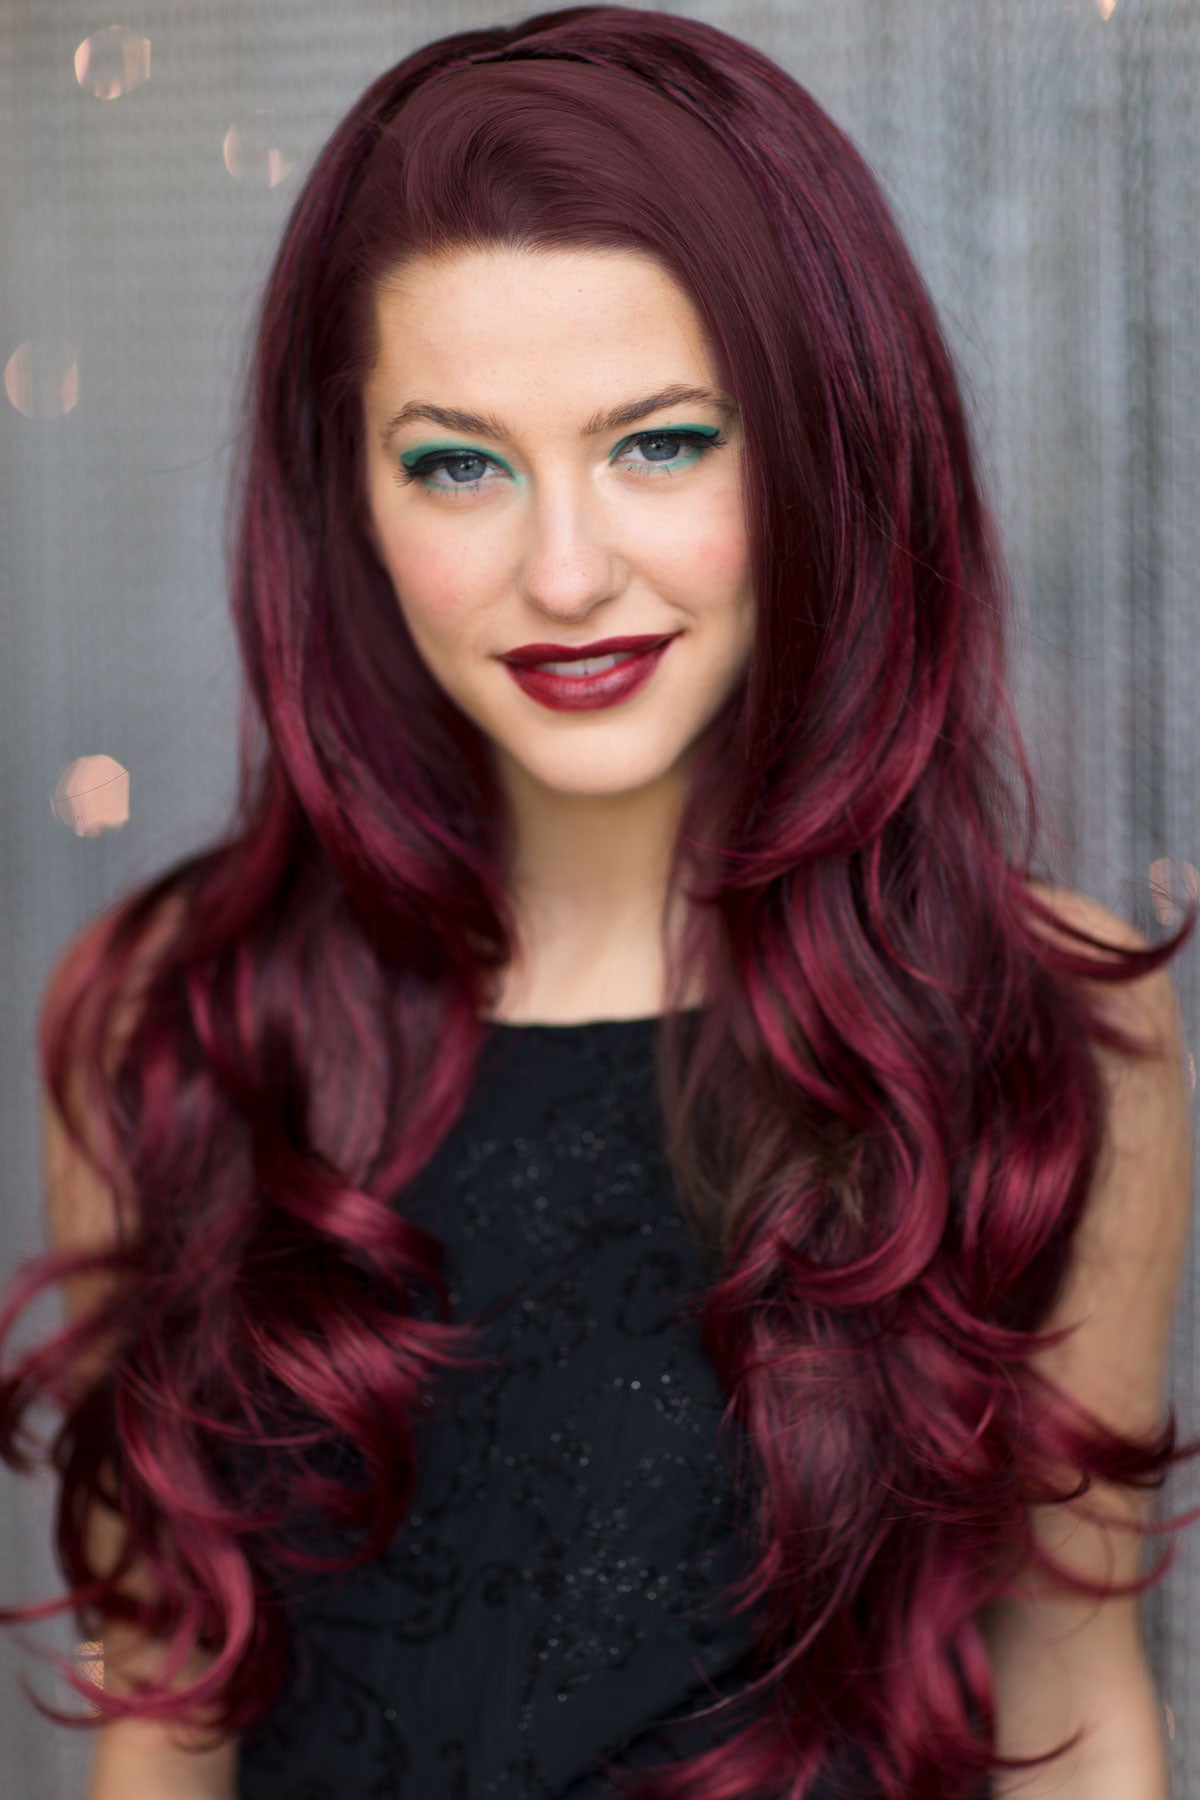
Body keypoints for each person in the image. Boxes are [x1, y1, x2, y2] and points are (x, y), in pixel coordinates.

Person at [1, 6, 1196, 1798]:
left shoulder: (1046, 1024)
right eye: (458, 463)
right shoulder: (175, 1022)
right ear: (351, 496)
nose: (564, 573)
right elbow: (171, 1714)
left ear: (820, 450)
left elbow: (1071, 1690)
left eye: (661, 443)